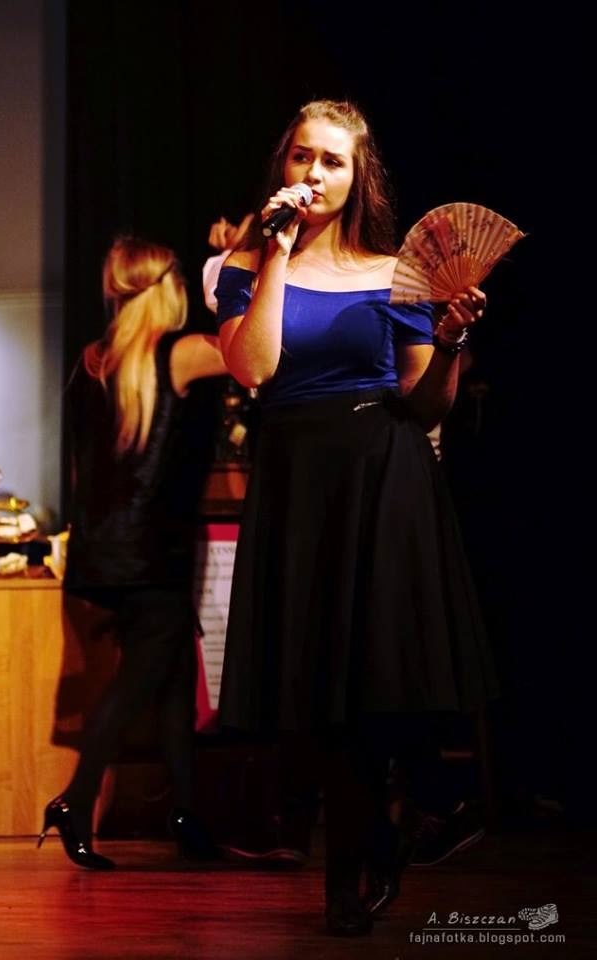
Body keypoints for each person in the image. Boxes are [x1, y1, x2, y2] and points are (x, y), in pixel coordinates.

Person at [213, 99, 497, 936]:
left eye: (331, 160)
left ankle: (366, 858)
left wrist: (450, 342)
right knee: (315, 691)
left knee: (375, 684)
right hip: (298, 480)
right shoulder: (243, 266)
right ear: (284, 164)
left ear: (356, 175)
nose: (313, 173)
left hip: (382, 471)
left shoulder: (394, 271)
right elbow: (255, 368)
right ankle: (371, 847)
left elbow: (423, 403)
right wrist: (275, 252)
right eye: (302, 156)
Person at [38, 235, 228, 870]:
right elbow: (256, 352)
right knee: (138, 683)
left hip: (104, 554)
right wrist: (236, 263)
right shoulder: (182, 353)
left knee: (171, 680)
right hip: (152, 555)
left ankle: (187, 819)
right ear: (168, 288)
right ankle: (75, 799)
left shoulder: (91, 362)